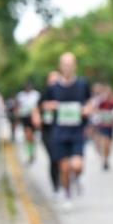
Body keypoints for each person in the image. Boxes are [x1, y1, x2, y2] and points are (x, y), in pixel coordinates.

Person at [39, 53, 92, 210]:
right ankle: (67, 195)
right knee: (64, 168)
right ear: (60, 66)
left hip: (77, 131)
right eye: (65, 64)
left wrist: (86, 110)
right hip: (59, 132)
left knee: (77, 165)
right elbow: (44, 105)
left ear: (75, 66)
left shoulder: (82, 84)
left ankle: (77, 178)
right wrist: (51, 106)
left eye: (70, 64)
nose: (68, 67)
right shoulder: (53, 87)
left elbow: (90, 103)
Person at [36, 71, 62, 200]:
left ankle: (65, 180)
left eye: (56, 80)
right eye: (52, 80)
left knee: (62, 159)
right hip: (48, 131)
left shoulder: (64, 92)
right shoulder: (44, 94)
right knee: (53, 158)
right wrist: (37, 118)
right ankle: (56, 186)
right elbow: (36, 108)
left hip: (62, 129)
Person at [93, 83, 113, 171]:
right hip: (102, 125)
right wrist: (100, 114)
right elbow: (95, 109)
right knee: (105, 142)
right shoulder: (101, 101)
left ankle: (106, 159)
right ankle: (103, 158)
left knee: (110, 144)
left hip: (111, 125)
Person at [15, 82, 41, 163]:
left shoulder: (36, 95)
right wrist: (17, 118)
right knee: (28, 135)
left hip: (34, 117)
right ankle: (30, 153)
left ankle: (33, 150)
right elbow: (18, 107)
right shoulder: (21, 95)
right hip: (25, 117)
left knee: (32, 136)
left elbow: (39, 106)